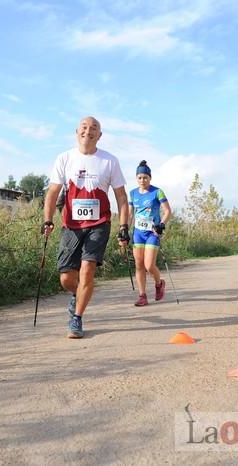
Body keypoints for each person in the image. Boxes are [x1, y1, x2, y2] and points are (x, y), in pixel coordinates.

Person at [41, 116, 130, 339]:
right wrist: (48, 219)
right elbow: (52, 192)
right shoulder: (65, 158)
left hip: (99, 223)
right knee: (66, 279)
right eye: (84, 127)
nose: (88, 131)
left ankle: (77, 319)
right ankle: (81, 292)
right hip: (71, 224)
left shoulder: (109, 161)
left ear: (99, 135)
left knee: (87, 269)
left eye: (94, 128)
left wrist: (123, 227)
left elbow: (121, 196)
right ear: (76, 132)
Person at [128, 160, 172, 306]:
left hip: (153, 233)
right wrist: (124, 230)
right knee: (139, 265)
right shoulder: (133, 193)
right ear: (136, 178)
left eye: (145, 177)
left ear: (150, 178)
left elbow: (167, 211)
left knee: (148, 265)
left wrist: (161, 225)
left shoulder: (157, 192)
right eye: (139, 177)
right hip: (138, 233)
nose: (142, 180)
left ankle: (159, 283)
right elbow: (130, 215)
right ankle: (142, 296)